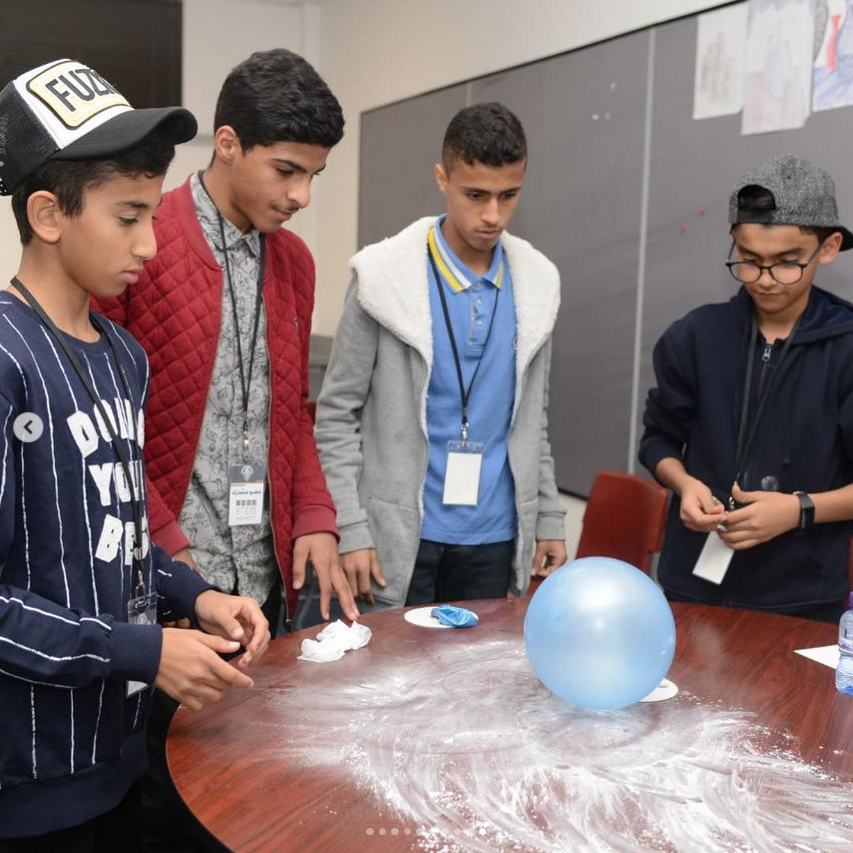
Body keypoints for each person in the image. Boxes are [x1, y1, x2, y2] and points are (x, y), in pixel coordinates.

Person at [0, 58, 269, 850]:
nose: (150, 243)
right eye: (128, 217)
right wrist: (142, 649)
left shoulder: (124, 356)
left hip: (121, 752)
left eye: (153, 213)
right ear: (48, 214)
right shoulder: (7, 360)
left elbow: (111, 528)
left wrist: (194, 591)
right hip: (31, 776)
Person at [93, 47, 356, 851]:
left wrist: (315, 513)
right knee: (160, 801)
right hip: (165, 588)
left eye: (313, 176)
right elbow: (110, 431)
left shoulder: (296, 263)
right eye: (286, 171)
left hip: (259, 587)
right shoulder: (141, 243)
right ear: (229, 144)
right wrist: (169, 549)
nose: (301, 196)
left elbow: (291, 413)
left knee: (245, 798)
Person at [314, 102, 567, 611]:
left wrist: (548, 517)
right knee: (387, 662)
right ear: (442, 179)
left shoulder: (538, 284)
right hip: (398, 533)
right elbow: (337, 416)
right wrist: (351, 525)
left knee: (478, 663)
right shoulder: (382, 280)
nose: (492, 215)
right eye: (475, 195)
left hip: (494, 535)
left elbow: (531, 422)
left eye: (508, 195)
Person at [640, 153, 853, 622]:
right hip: (691, 586)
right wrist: (685, 484)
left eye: (787, 263)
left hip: (801, 599)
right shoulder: (695, 336)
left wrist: (800, 510)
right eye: (750, 260)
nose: (765, 280)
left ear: (829, 247)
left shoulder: (846, 347)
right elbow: (658, 440)